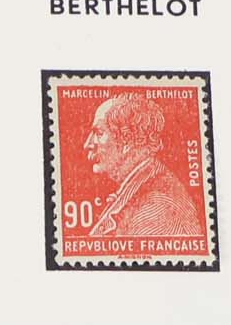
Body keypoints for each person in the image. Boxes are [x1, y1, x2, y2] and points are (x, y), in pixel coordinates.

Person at [80, 93, 208, 239]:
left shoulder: (157, 207)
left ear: (127, 140)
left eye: (99, 133)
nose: (87, 144)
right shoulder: (142, 186)